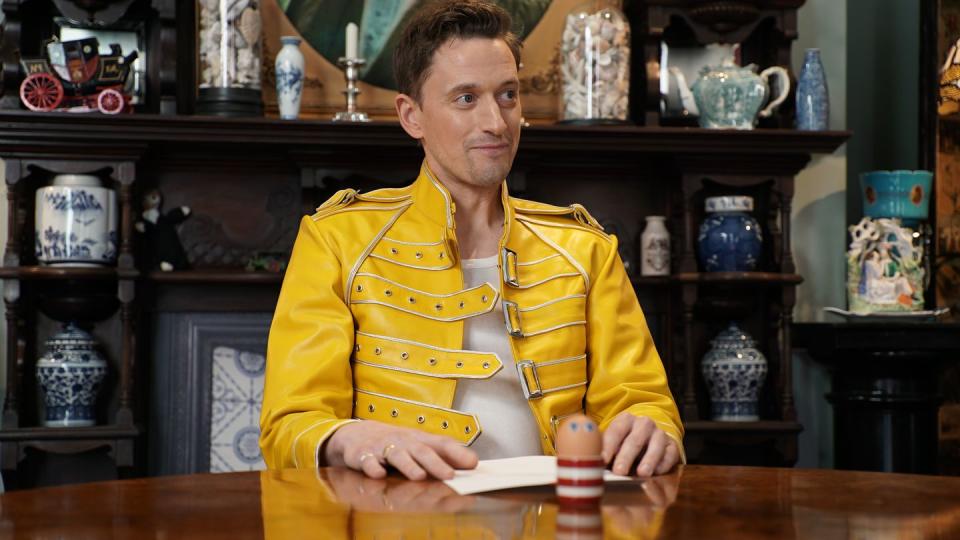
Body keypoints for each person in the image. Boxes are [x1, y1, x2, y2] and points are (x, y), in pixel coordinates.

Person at [260, 0, 683, 481]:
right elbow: (289, 424)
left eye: (507, 95)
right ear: (411, 116)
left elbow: (642, 401)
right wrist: (349, 439)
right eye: (466, 98)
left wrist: (652, 430)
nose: (496, 123)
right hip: (400, 521)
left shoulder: (586, 249)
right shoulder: (337, 240)